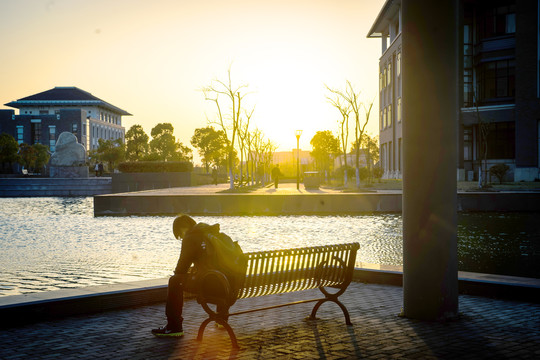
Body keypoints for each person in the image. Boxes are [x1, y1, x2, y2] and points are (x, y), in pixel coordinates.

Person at [152, 214, 241, 337]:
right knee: (220, 273)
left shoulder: (191, 237)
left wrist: (180, 273)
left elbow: (182, 267)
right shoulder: (213, 233)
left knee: (175, 281)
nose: (181, 238)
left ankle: (174, 326)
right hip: (229, 283)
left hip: (211, 284)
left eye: (179, 235)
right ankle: (222, 318)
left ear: (182, 229)